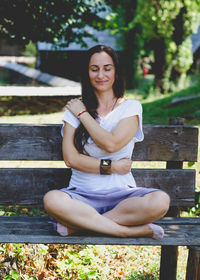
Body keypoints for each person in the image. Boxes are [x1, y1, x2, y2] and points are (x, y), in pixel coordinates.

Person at [43, 45, 170, 239]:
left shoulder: (130, 107)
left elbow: (111, 144)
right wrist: (112, 166)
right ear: (87, 73)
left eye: (107, 68)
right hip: (81, 196)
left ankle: (79, 226)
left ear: (116, 72)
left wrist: (83, 114)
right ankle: (125, 231)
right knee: (52, 200)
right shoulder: (74, 109)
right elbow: (71, 159)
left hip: (123, 198)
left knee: (160, 201)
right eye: (94, 69)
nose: (100, 74)